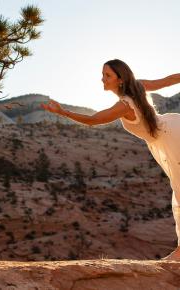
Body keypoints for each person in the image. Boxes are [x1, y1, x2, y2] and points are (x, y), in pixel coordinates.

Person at [41, 59, 180, 260]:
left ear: (120, 80)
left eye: (107, 75)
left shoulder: (124, 105)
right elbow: (170, 80)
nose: (102, 79)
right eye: (103, 74)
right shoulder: (138, 88)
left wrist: (63, 112)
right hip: (171, 130)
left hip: (171, 138)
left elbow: (93, 120)